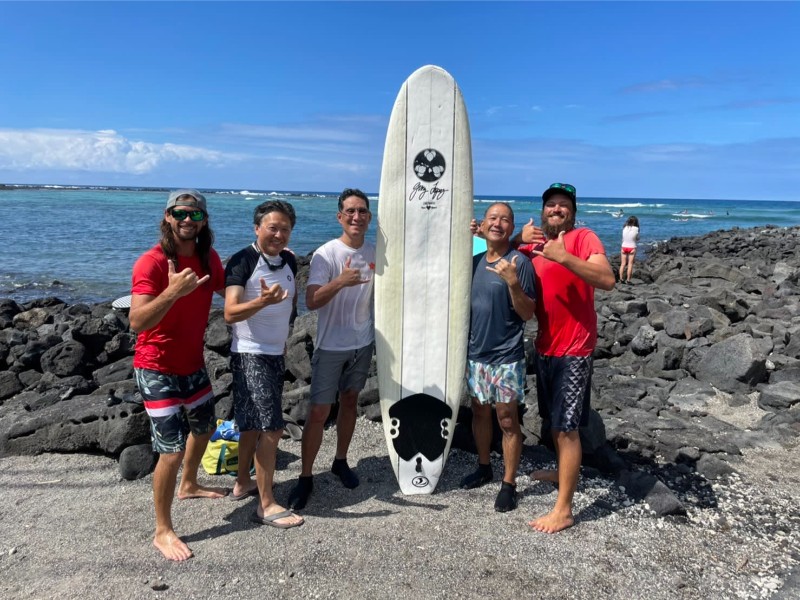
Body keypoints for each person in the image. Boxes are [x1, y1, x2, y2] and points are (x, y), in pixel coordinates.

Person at [129, 189, 228, 561]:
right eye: (181, 214)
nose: (188, 221)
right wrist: (172, 292)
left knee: (204, 428)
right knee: (169, 450)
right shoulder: (152, 263)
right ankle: (163, 530)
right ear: (168, 217)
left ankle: (189, 484)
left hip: (192, 363)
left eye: (195, 215)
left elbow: (226, 290)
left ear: (204, 220)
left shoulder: (208, 257)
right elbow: (137, 321)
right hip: (155, 367)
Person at [515, 182, 615, 533]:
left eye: (563, 206)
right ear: (542, 211)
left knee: (568, 427)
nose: (556, 210)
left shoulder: (583, 238)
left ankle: (565, 509)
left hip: (575, 348)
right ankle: (561, 473)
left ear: (573, 212)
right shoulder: (533, 245)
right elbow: (496, 251)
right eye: (551, 205)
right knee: (553, 421)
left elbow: (607, 278)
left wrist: (565, 258)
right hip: (544, 345)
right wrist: (516, 238)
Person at [287, 188, 375, 510]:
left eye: (362, 211)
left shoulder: (375, 251)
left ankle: (340, 461)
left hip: (362, 344)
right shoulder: (326, 254)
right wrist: (341, 282)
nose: (356, 216)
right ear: (340, 216)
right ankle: (306, 476)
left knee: (350, 402)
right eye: (350, 211)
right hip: (330, 347)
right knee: (319, 412)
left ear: (368, 216)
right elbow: (310, 301)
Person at [223, 200, 304, 529]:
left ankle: (243, 481)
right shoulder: (243, 260)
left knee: (253, 426)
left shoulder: (288, 260)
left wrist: (286, 331)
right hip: (249, 353)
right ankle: (266, 504)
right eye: (273, 227)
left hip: (275, 353)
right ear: (257, 228)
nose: (279, 234)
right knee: (272, 429)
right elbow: (229, 312)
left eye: (285, 228)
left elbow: (292, 300)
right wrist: (261, 302)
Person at [460, 202, 536, 512]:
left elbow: (528, 313)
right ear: (483, 225)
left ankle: (509, 483)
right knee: (479, 412)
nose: (498, 223)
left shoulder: (520, 263)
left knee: (507, 419)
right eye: (493, 218)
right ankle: (483, 466)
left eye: (505, 220)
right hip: (476, 354)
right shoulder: (474, 261)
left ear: (511, 226)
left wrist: (513, 282)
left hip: (506, 356)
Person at [619, 216, 640, 284]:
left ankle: (621, 279)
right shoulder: (636, 229)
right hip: (632, 247)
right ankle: (628, 280)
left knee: (623, 264)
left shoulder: (624, 227)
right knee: (630, 264)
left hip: (624, 247)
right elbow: (637, 238)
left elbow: (623, 238)